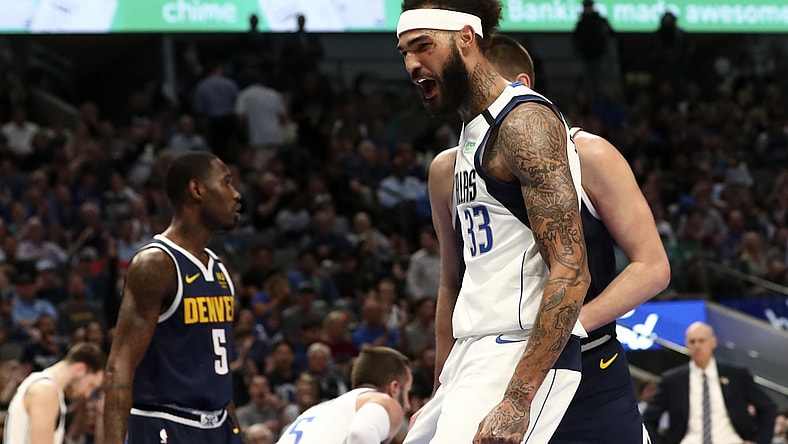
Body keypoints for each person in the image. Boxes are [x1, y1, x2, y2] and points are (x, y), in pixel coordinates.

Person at [396, 2, 591, 443]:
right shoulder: (470, 132)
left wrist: (518, 398)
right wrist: (442, 385)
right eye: (404, 52)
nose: (412, 64)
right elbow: (454, 280)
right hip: (473, 349)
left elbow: (572, 270)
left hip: (517, 346)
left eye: (423, 46)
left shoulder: (524, 122)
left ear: (466, 38)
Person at [483, 34, 671, 443]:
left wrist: (567, 328)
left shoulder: (588, 154)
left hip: (588, 364)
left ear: (521, 86)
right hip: (493, 364)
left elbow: (653, 267)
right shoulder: (455, 167)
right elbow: (454, 281)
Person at [103, 151, 244, 443]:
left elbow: (217, 375)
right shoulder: (156, 264)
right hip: (165, 425)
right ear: (196, 189)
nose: (236, 194)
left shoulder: (218, 268)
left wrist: (236, 434)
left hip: (218, 425)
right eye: (226, 182)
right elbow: (120, 365)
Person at [643, 322, 777, 444]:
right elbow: (648, 419)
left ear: (713, 342)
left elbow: (768, 407)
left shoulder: (736, 375)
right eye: (692, 341)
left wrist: (760, 441)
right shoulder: (673, 380)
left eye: (702, 340)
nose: (697, 346)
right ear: (687, 344)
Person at [275, 346, 412, 444]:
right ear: (394, 388)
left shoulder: (318, 411)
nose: (407, 405)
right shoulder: (383, 400)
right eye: (406, 391)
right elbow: (361, 433)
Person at [4, 342, 106, 444]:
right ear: (80, 369)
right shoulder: (46, 390)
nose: (87, 394)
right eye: (91, 385)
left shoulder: (43, 385)